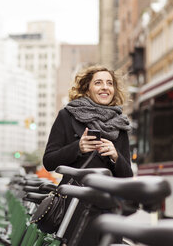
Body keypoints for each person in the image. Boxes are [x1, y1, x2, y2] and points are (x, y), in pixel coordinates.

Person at [43, 65, 133, 245]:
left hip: (108, 206)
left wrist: (116, 156)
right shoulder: (67, 116)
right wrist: (78, 147)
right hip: (75, 204)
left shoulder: (120, 124)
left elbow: (127, 177)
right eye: (98, 83)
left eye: (109, 83)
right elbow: (49, 161)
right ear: (87, 88)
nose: (105, 87)